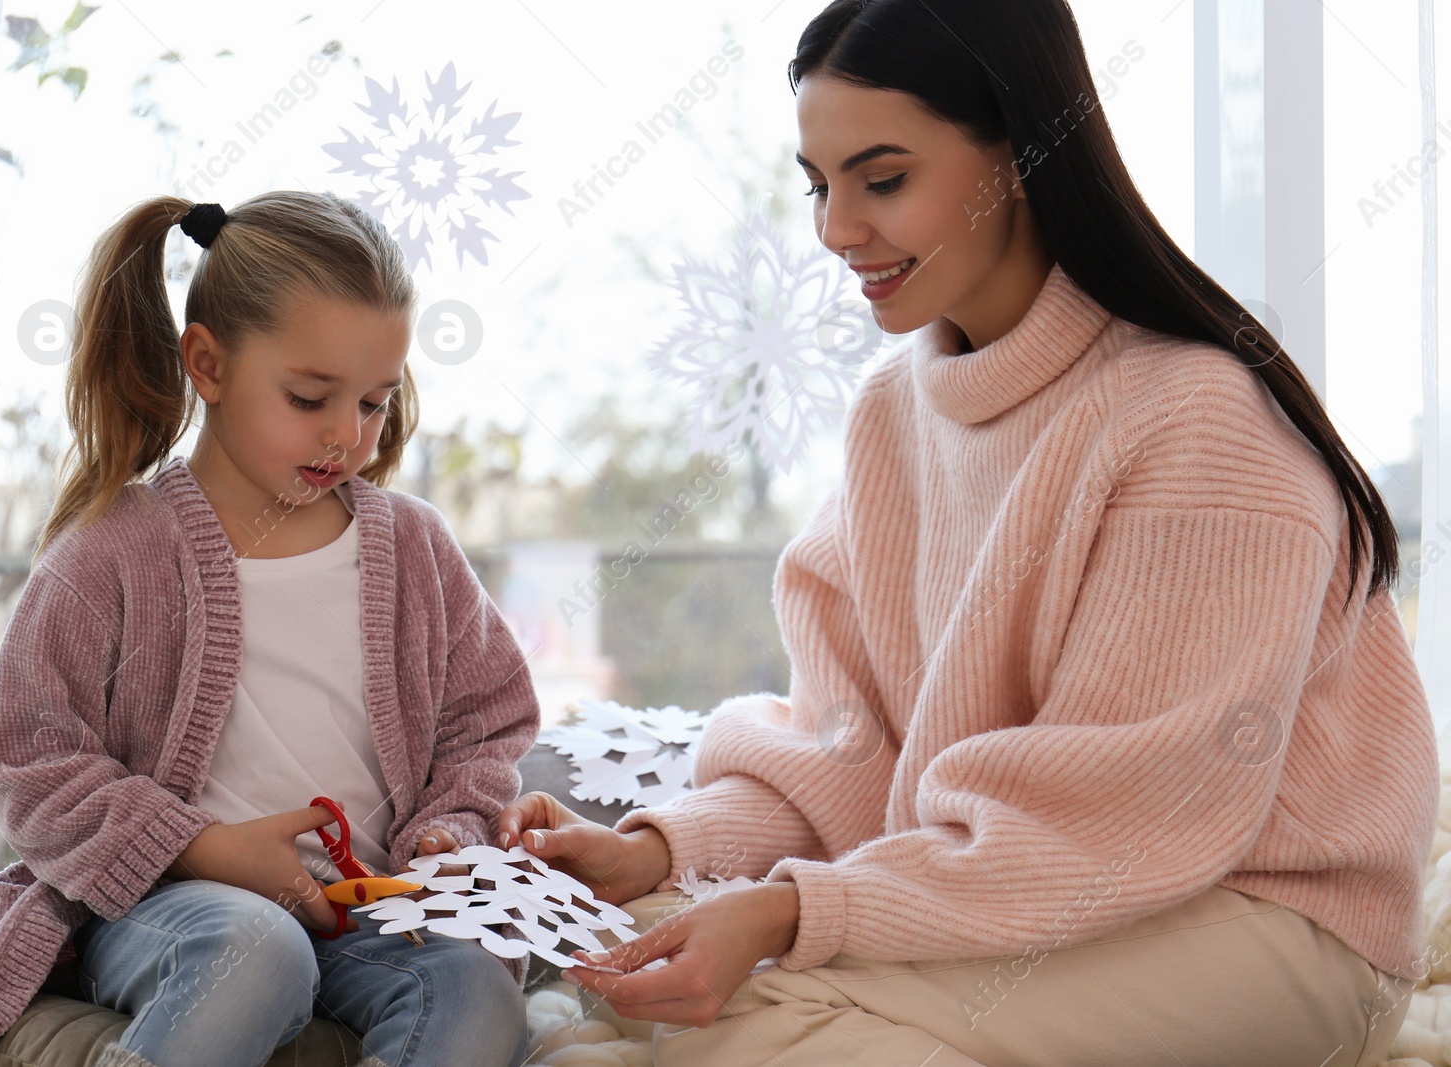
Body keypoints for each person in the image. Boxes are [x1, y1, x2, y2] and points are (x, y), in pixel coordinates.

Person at [497, 1, 1440, 1065]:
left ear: (1025, 155)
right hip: (1032, 887)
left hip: (1263, 916)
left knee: (756, 1007)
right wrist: (654, 846)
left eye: (882, 177)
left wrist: (781, 915)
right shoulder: (891, 417)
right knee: (649, 953)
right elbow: (851, 747)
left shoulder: (1196, 418)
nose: (835, 228)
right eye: (818, 184)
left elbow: (1119, 815)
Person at [0, 191, 539, 1067]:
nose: (347, 435)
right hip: (167, 910)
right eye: (310, 396)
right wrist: (202, 848)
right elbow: (29, 759)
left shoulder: (416, 549)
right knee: (256, 949)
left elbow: (488, 719)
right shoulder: (110, 554)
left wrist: (450, 827)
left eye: (373, 402)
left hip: (367, 913)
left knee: (475, 985)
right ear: (207, 364)